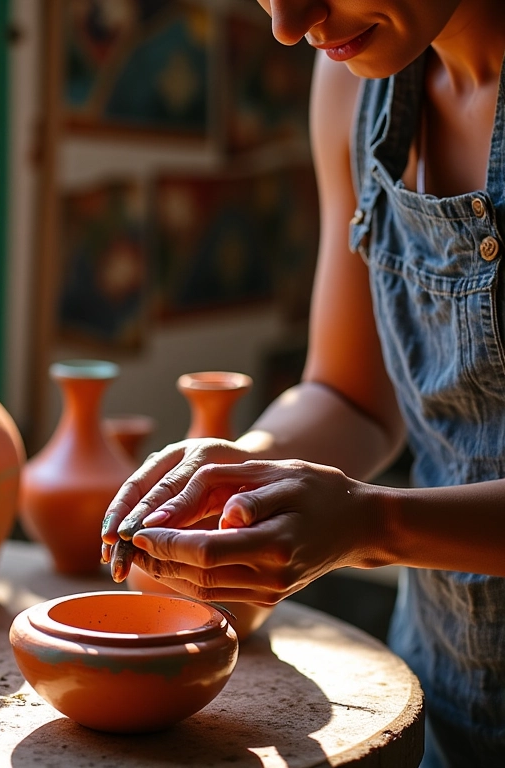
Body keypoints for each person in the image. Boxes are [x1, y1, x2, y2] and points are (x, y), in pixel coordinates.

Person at [100, 2, 505, 766]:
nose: (290, 23)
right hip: (443, 688)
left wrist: (373, 526)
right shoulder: (352, 86)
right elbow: (351, 396)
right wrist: (239, 467)